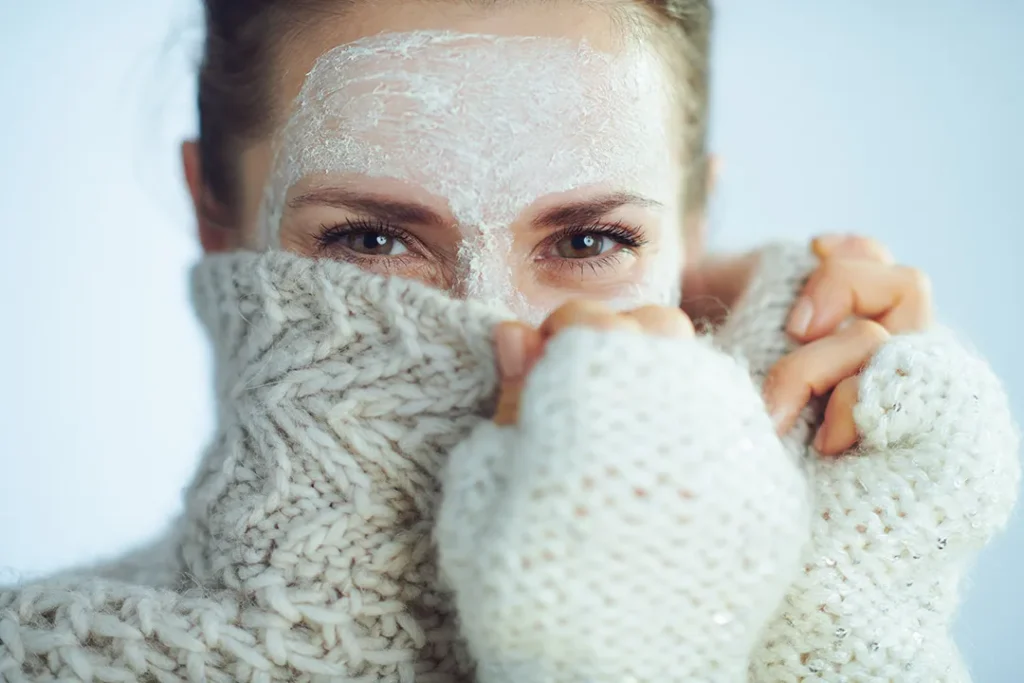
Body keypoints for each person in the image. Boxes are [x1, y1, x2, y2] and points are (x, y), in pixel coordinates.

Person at [0, 0, 1017, 681]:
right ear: (214, 210)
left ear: (693, 235)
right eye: (374, 238)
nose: (505, 331)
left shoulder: (822, 592)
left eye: (587, 240)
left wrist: (838, 582)